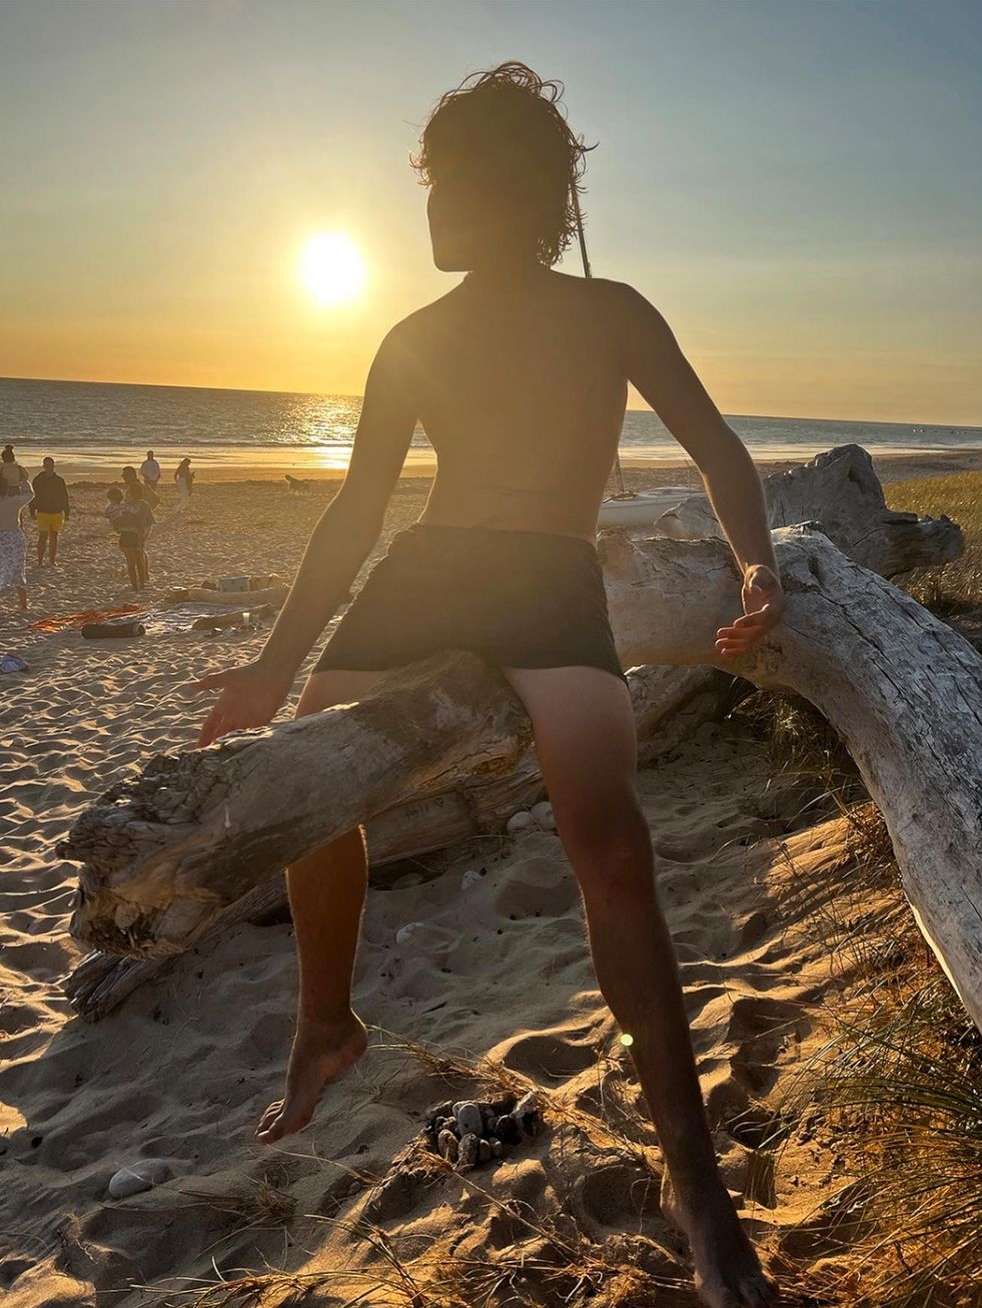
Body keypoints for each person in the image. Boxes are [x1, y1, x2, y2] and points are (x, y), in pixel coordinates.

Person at [196, 64, 782, 1308]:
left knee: (606, 837)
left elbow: (716, 447)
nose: (430, 207)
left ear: (524, 194)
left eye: (453, 183)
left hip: (549, 579)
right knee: (311, 767)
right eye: (430, 183)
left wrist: (755, 563)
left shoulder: (610, 310)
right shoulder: (411, 336)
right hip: (430, 572)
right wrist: (273, 668)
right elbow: (356, 513)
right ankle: (324, 1023)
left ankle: (696, 1185)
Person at [113, 482, 154, 590]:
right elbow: (148, 522)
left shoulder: (129, 506)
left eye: (128, 493)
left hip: (130, 535)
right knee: (138, 561)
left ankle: (136, 586)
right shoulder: (141, 505)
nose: (126, 495)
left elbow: (117, 524)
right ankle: (140, 585)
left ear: (133, 494)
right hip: (135, 535)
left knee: (132, 563)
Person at [30, 456, 70, 566]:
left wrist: (67, 512)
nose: (48, 467)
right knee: (42, 537)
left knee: (54, 537)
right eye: (46, 465)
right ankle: (40, 561)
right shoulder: (38, 480)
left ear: (53, 466)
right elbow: (33, 497)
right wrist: (32, 510)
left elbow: (64, 497)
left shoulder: (59, 480)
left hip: (57, 512)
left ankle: (52, 561)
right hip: (42, 512)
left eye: (50, 465)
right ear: (43, 466)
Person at [0, 476, 33, 610]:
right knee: (18, 569)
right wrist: (24, 480)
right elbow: (30, 494)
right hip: (14, 537)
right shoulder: (14, 501)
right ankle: (23, 604)